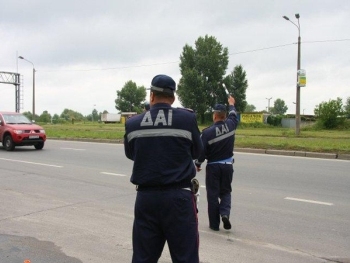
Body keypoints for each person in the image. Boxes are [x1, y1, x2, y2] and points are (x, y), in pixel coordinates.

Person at [124, 74, 203, 263]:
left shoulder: (133, 123)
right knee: (186, 258)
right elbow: (197, 151)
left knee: (143, 258)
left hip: (146, 200)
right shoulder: (186, 118)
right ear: (173, 98)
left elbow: (131, 154)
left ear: (151, 96)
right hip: (179, 201)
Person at [195, 95, 239, 231]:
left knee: (213, 196)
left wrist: (198, 164)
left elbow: (201, 152)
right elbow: (234, 114)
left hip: (213, 168)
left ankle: (214, 225)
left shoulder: (207, 133)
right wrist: (231, 103)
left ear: (214, 116)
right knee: (225, 192)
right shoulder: (231, 125)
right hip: (227, 166)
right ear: (224, 116)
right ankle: (225, 213)